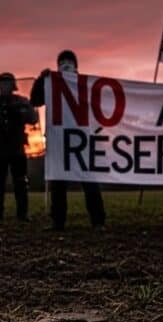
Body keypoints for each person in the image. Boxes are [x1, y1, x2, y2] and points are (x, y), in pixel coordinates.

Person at [31, 50, 107, 231]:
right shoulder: (51, 83)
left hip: (82, 140)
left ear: (76, 65)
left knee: (89, 183)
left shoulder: (85, 84)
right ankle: (58, 221)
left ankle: (98, 221)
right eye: (62, 61)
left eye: (69, 61)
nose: (65, 64)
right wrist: (41, 81)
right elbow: (35, 101)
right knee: (58, 183)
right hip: (59, 141)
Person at [0, 72, 38, 221]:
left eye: (8, 83)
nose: (4, 86)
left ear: (13, 85)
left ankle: (22, 214)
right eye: (2, 83)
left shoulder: (22, 102)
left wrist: (26, 109)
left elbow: (33, 120)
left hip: (17, 147)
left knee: (20, 182)